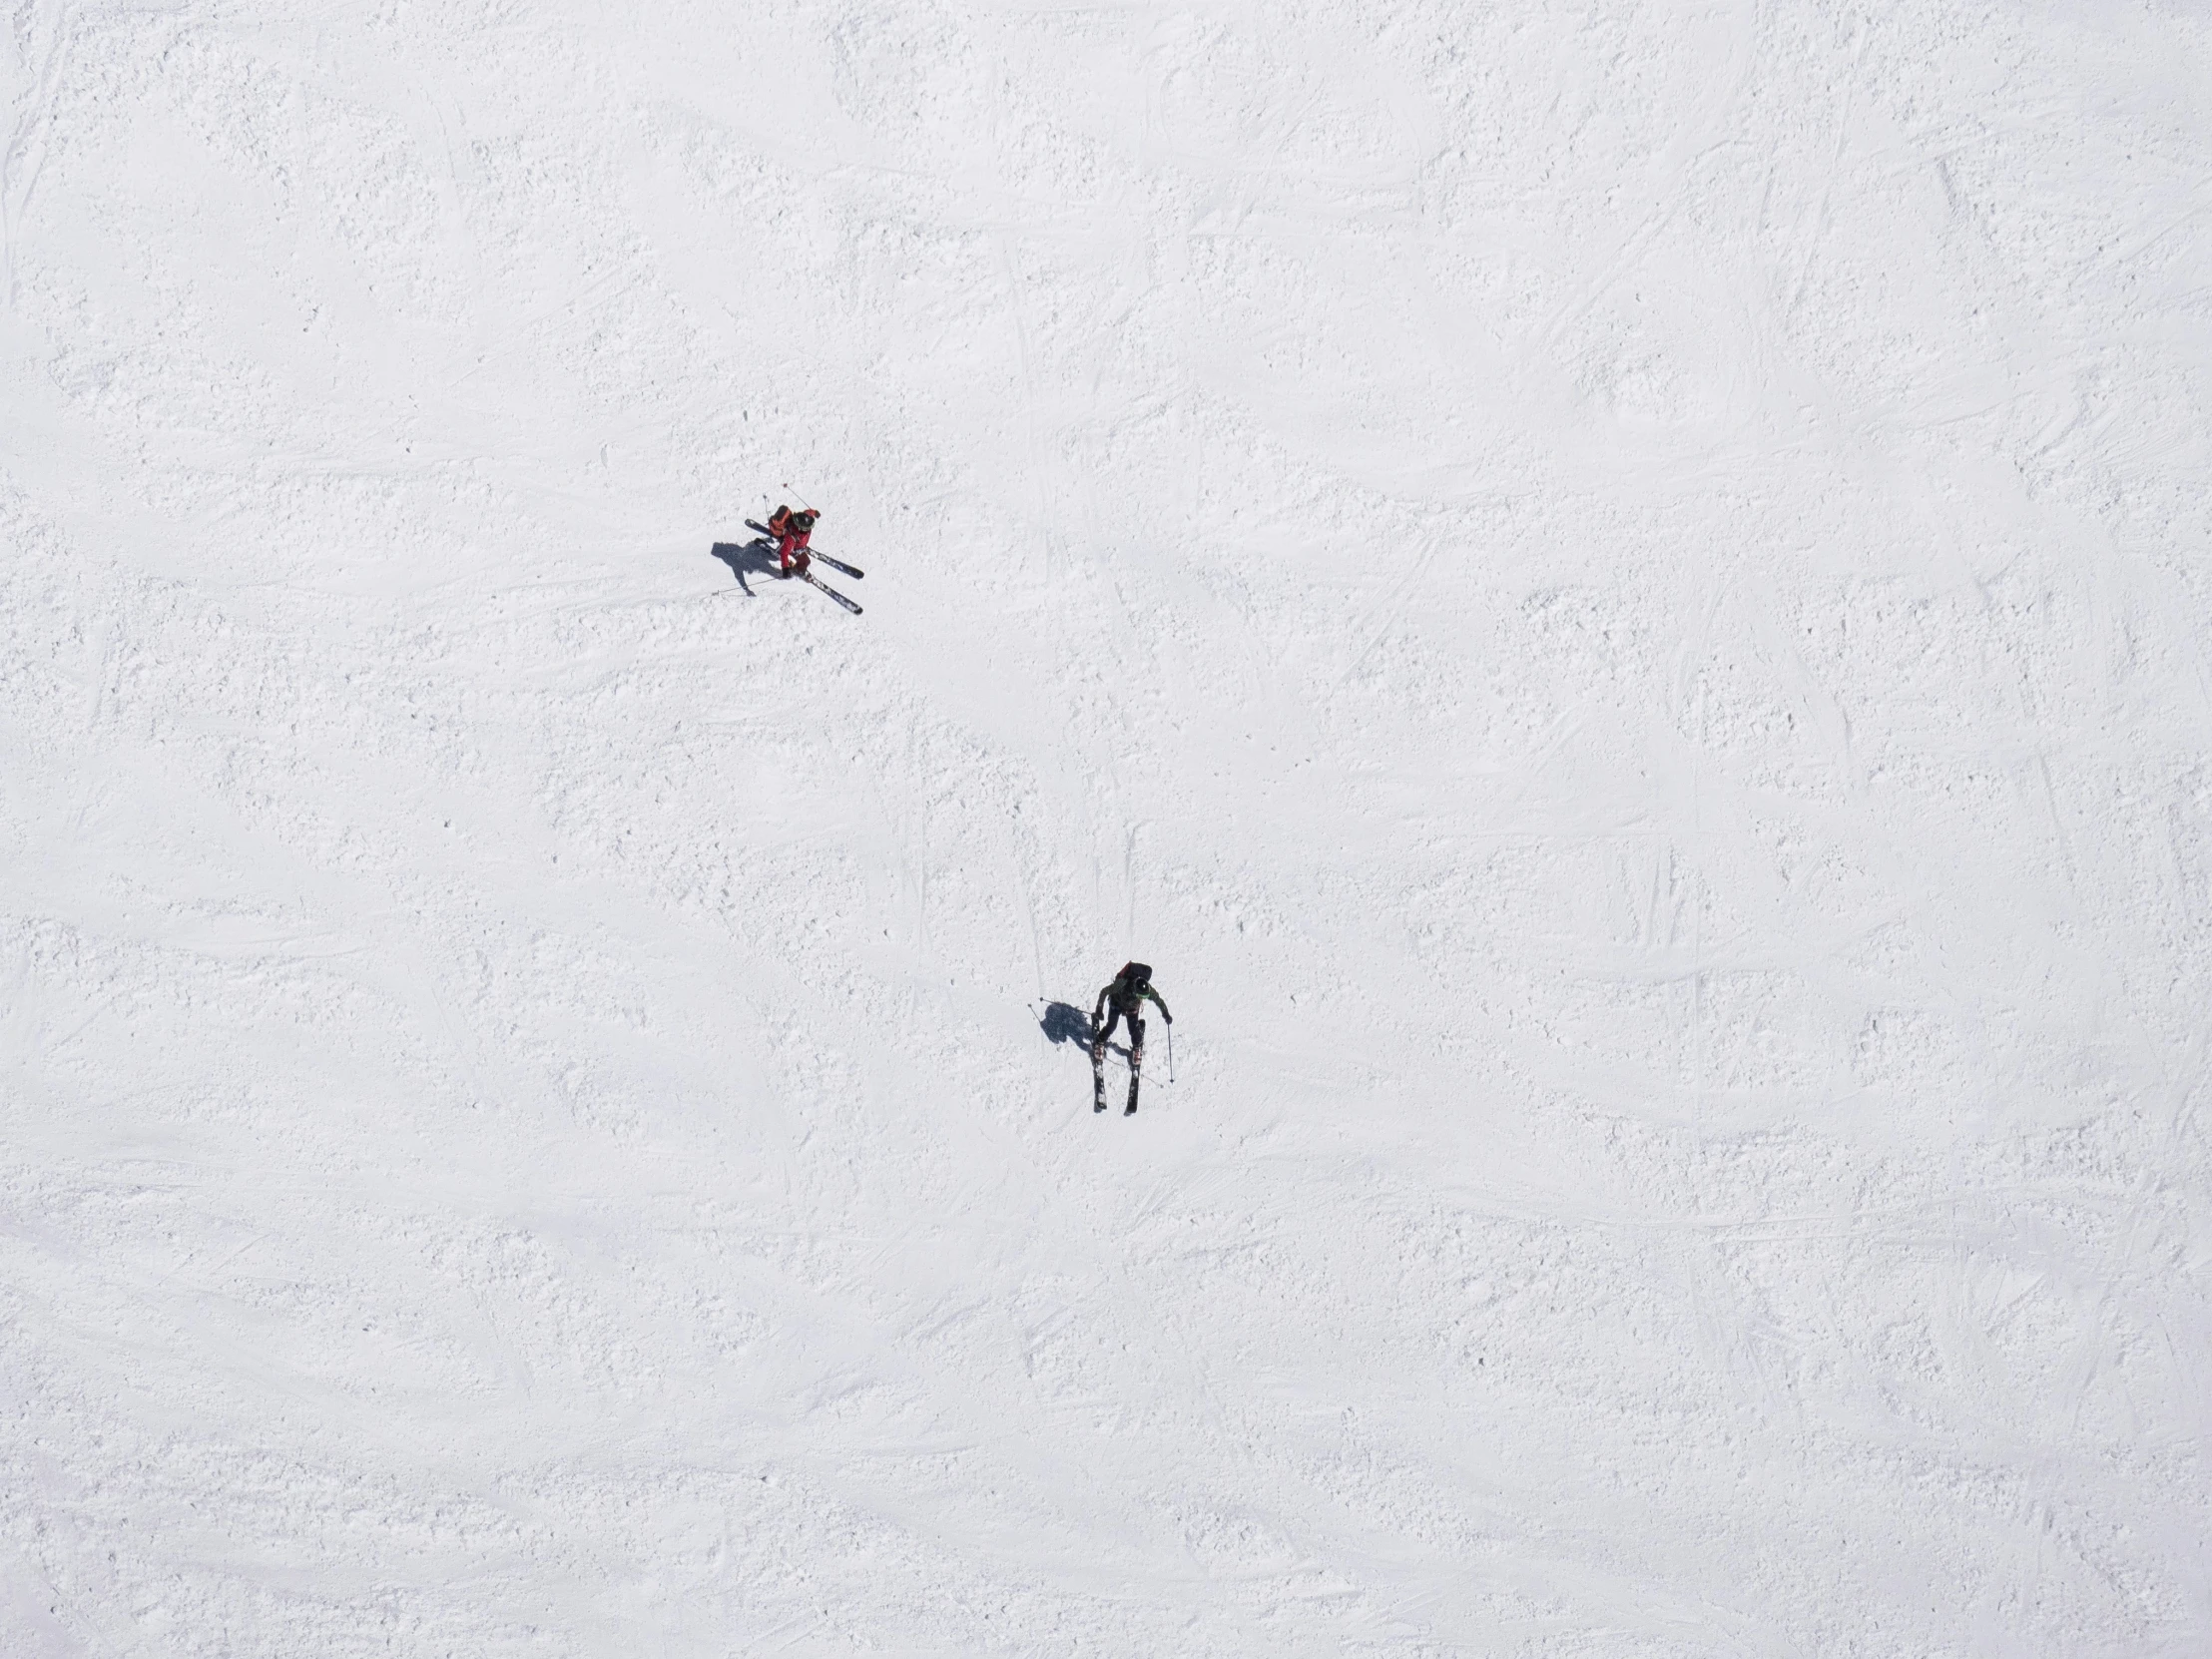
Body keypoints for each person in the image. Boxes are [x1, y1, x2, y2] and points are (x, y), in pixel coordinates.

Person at [1092, 961, 1171, 1112]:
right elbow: (1104, 991)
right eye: (1141, 997)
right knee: (1111, 1026)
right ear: (1135, 990)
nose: (1144, 998)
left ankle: (1136, 1048)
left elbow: (1158, 1000)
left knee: (1134, 1030)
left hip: (1132, 1008)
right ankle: (1099, 1042)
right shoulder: (1121, 984)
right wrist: (1099, 1009)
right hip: (1117, 1004)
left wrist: (1165, 1013)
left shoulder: (1146, 989)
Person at [767, 505, 819, 578]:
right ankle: (797, 569)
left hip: (800, 544)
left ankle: (801, 548)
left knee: (805, 559)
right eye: (807, 528)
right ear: (800, 527)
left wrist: (814, 512)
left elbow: (807, 513)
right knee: (806, 562)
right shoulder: (792, 536)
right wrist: (785, 568)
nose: (808, 529)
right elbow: (784, 552)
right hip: (794, 548)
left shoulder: (802, 519)